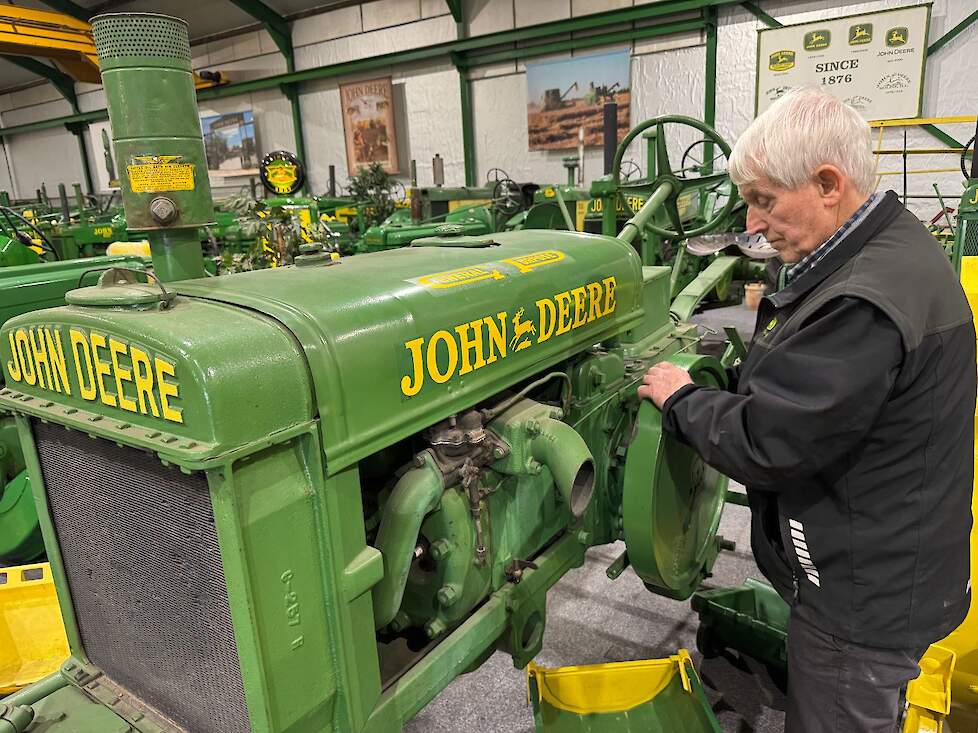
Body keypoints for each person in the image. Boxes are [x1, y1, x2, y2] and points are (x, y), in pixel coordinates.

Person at [639, 87, 975, 732]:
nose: (752, 223)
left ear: (827, 184)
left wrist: (684, 398)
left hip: (859, 598)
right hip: (886, 561)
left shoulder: (863, 300)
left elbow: (770, 443)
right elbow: (812, 391)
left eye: (764, 200)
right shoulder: (890, 251)